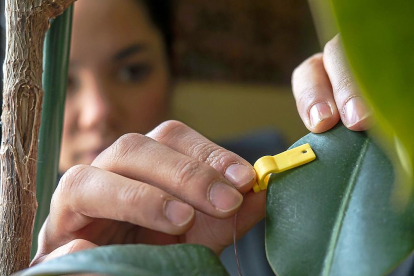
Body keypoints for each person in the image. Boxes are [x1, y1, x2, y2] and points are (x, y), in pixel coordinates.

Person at [30, 0, 384, 275]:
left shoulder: (278, 187)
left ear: (172, 69)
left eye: (131, 71)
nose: (98, 111)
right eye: (59, 82)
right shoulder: (23, 247)